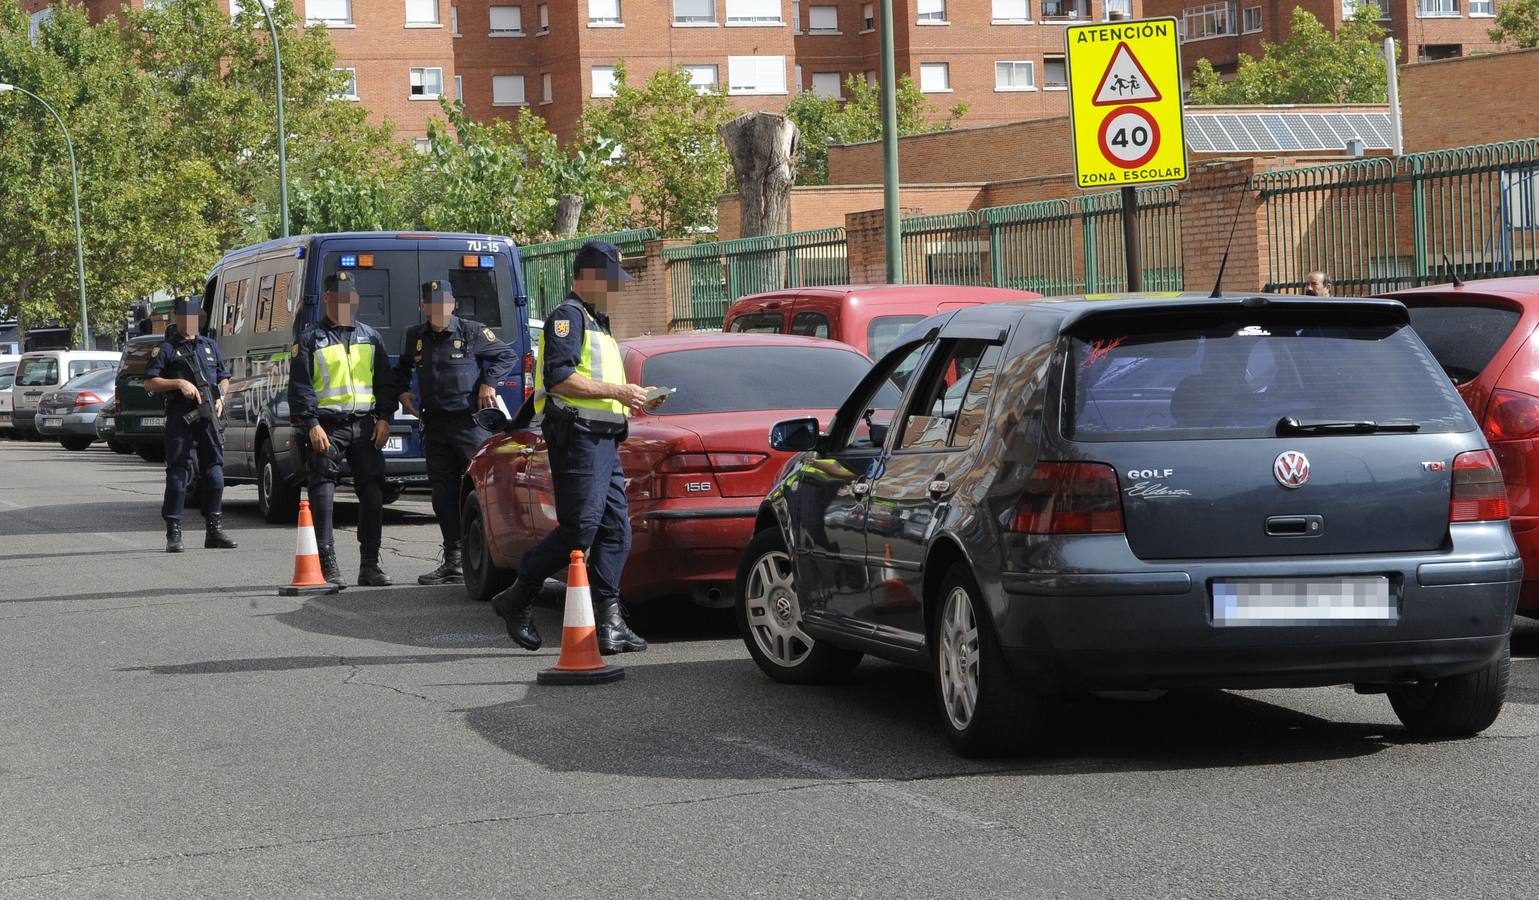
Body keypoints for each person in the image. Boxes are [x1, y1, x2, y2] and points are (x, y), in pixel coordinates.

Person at [491, 241, 664, 654]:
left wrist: (635, 396)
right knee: (580, 527)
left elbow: (599, 385)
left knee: (615, 530)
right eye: (610, 282)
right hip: (579, 439)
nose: (616, 290)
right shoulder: (568, 317)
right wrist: (619, 391)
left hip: (603, 439)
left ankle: (610, 622)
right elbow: (560, 379)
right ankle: (518, 596)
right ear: (587, 277)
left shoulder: (597, 321)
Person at [395, 280, 516, 585]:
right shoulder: (416, 336)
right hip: (435, 425)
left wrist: (489, 383)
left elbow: (507, 356)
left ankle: (491, 556)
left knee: (480, 490)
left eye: (443, 303)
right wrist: (401, 392)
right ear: (424, 307)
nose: (438, 310)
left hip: (468, 424)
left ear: (453, 305)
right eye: (431, 304)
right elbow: (402, 369)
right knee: (443, 494)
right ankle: (454, 559)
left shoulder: (471, 332)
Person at [288, 271, 398, 588]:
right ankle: (327, 566)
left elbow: (385, 382)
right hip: (327, 427)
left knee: (374, 494)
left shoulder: (370, 337)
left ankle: (370, 565)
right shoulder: (310, 339)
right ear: (327, 299)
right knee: (323, 493)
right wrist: (311, 424)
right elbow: (300, 387)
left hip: (365, 426)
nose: (345, 303)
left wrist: (384, 418)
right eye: (339, 298)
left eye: (350, 297)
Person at [143, 295, 237, 554]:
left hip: (208, 416)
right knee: (178, 474)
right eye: (185, 317)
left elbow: (224, 377)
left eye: (194, 317)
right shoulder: (165, 350)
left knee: (215, 473)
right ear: (178, 318)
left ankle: (214, 530)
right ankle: (173, 531)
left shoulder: (210, 346)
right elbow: (149, 382)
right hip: (181, 418)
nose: (190, 322)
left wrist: (220, 397)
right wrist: (179, 384)